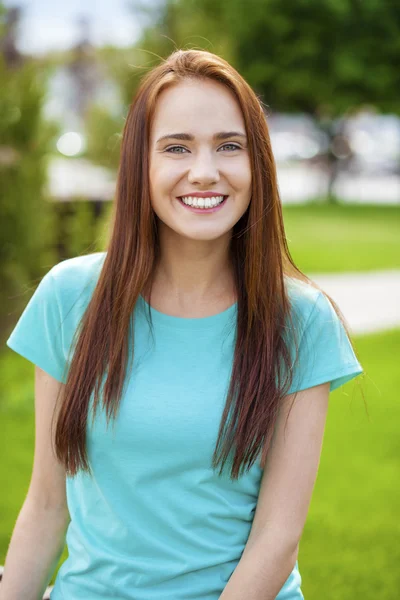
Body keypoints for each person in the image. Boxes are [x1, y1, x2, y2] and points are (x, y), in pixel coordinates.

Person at [2, 49, 363, 600]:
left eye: (229, 146)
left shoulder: (301, 321)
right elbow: (48, 506)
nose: (204, 171)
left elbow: (277, 537)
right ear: (139, 164)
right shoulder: (69, 298)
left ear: (256, 164)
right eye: (176, 147)